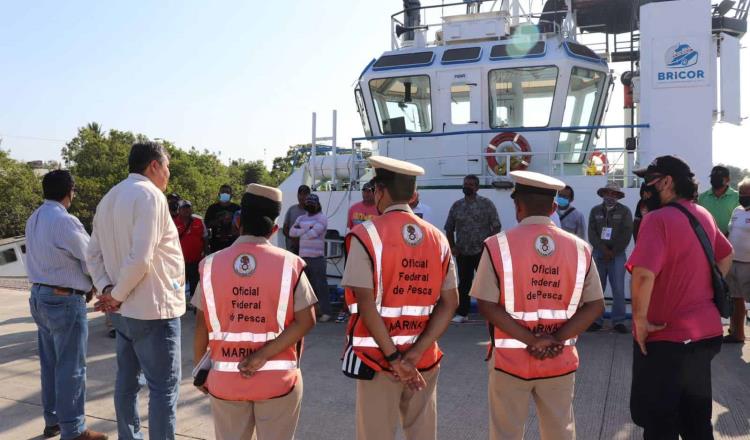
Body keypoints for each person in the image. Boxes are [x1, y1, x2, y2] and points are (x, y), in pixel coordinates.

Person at [470, 170, 603, 440]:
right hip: (559, 359)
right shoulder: (580, 249)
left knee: (506, 432)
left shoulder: (497, 246)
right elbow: (595, 305)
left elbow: (486, 304)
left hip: (510, 362)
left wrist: (531, 340)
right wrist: (554, 339)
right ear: (554, 207)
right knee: (560, 431)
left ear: (518, 206)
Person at [341, 156, 459, 440]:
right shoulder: (438, 239)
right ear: (414, 196)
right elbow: (450, 302)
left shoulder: (365, 235)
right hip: (423, 360)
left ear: (379, 191)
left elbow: (365, 303)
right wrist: (414, 355)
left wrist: (395, 359)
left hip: (377, 360)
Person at [192, 184, 317, 440]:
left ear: (239, 222)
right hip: (278, 381)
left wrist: (200, 372)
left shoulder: (210, 265)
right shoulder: (289, 265)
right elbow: (307, 321)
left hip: (225, 380)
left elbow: (201, 325)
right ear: (273, 230)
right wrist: (261, 356)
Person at [628, 155, 732, 439]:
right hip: (705, 335)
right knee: (697, 421)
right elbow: (725, 255)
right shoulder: (703, 214)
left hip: (668, 339)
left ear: (667, 182)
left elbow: (643, 275)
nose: (646, 188)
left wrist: (640, 322)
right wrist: (702, 290)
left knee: (660, 423)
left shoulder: (656, 220)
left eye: (650, 181)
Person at [87, 142, 185, 440]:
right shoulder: (150, 196)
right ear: (154, 165)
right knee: (163, 389)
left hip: (123, 312)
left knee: (127, 384)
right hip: (152, 311)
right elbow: (141, 258)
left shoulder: (109, 198)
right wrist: (114, 295)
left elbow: (92, 254)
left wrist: (107, 289)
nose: (168, 174)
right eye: (167, 167)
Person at [25, 170, 107, 440]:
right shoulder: (65, 221)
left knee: (50, 364)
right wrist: (96, 283)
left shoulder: (34, 218)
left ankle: (54, 422)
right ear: (69, 191)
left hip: (40, 297)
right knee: (71, 368)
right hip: (63, 299)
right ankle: (74, 431)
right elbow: (91, 258)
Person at [444, 174, 501, 323]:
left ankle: (493, 314)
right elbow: (449, 228)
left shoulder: (486, 204)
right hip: (463, 252)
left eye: (470, 184)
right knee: (464, 284)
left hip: (482, 251)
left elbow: (496, 226)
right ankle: (462, 313)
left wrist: (489, 246)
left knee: (487, 283)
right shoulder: (457, 206)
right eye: (465, 184)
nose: (467, 186)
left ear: (477, 187)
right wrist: (453, 247)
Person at [587, 181, 633, 333]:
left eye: (614, 194)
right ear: (603, 194)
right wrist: (603, 249)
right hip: (599, 254)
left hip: (617, 255)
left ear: (618, 196)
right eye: (608, 193)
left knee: (618, 289)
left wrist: (613, 251)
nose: (610, 196)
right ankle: (596, 320)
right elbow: (592, 233)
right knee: (597, 289)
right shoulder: (595, 211)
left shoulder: (625, 211)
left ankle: (618, 321)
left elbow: (626, 233)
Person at [289, 194, 332, 322]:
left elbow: (313, 234)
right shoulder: (301, 217)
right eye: (308, 203)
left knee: (321, 285)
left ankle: (326, 312)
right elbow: (292, 232)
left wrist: (301, 230)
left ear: (318, 204)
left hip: (317, 258)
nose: (310, 205)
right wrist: (308, 228)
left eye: (312, 203)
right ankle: (310, 312)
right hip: (303, 257)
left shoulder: (322, 218)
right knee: (304, 287)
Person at [725, 177, 750, 343]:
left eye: (746, 194)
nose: (742, 196)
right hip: (733, 262)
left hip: (748, 265)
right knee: (735, 299)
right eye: (741, 193)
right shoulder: (737, 211)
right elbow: (730, 232)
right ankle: (737, 333)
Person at [174, 200, 208, 304]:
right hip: (179, 261)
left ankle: (194, 304)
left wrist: (206, 253)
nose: (186, 210)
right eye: (183, 208)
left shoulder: (198, 221)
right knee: (178, 283)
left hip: (196, 259)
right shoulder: (173, 222)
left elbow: (205, 237)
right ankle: (177, 302)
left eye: (188, 207)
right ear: (179, 210)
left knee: (195, 283)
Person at [698, 165, 739, 236]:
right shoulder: (702, 197)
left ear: (728, 179)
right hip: (709, 240)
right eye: (713, 177)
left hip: (731, 240)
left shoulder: (737, 197)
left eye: (718, 178)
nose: (715, 179)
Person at [205, 184, 241, 253]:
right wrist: (220, 220)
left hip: (233, 244)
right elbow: (206, 224)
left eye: (227, 192)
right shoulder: (212, 208)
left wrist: (231, 221)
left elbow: (241, 226)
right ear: (219, 194)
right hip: (216, 245)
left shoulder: (237, 208)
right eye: (223, 192)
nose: (225, 194)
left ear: (231, 195)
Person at [282, 185, 311, 254]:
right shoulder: (291, 209)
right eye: (300, 194)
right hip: (291, 252)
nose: (302, 197)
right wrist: (293, 239)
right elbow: (285, 229)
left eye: (305, 194)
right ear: (297, 195)